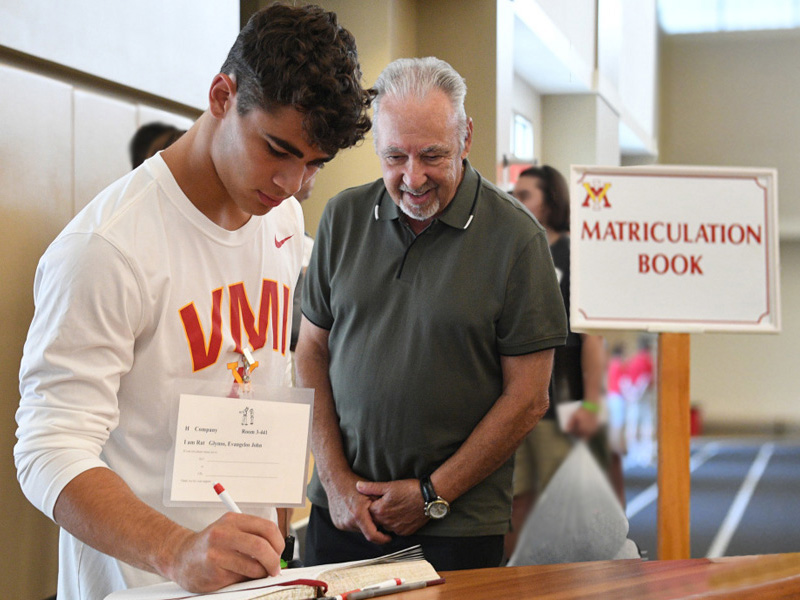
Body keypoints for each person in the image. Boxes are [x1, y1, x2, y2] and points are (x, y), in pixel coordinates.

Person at [14, 5, 372, 599]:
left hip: (256, 580)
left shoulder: (279, 214)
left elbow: (263, 376)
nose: (294, 183)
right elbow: (47, 448)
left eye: (314, 164)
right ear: (221, 95)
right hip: (140, 585)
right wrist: (178, 550)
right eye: (277, 149)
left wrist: (277, 509)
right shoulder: (106, 248)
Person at [295, 57, 567, 572]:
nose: (413, 178)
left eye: (432, 155)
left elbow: (529, 397)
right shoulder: (341, 218)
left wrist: (431, 494)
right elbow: (310, 350)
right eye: (395, 156)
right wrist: (333, 482)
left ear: (465, 138)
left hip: (455, 528)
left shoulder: (517, 240)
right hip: (342, 518)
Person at [505, 164, 624, 559]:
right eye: (513, 192)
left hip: (565, 401)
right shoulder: (515, 248)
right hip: (517, 401)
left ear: (551, 202)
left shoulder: (574, 254)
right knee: (515, 502)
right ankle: (512, 579)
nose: (514, 199)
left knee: (567, 506)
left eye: (525, 195)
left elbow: (592, 337)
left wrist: (592, 404)